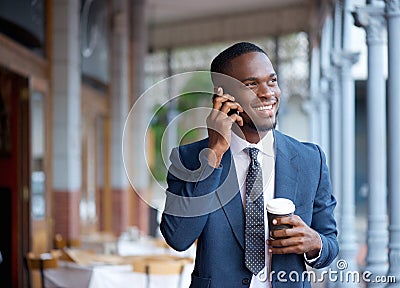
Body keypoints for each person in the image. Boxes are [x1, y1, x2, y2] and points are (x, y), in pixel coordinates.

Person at [160, 42, 338, 288]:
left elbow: (330, 243)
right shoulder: (190, 158)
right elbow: (178, 237)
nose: (267, 93)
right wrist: (214, 154)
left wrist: (315, 243)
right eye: (251, 84)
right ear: (223, 96)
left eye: (272, 81)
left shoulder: (310, 159)